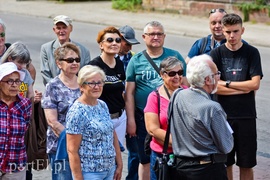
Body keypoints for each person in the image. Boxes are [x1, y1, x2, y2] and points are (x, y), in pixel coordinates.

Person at [125, 21, 186, 179]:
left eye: (159, 34)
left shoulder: (175, 56)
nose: (156, 37)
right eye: (152, 34)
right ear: (144, 37)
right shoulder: (136, 61)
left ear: (164, 37)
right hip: (143, 116)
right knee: (144, 158)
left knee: (173, 155)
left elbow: (185, 84)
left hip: (172, 116)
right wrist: (130, 120)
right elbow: (129, 92)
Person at [210, 13, 263, 180]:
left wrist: (226, 83)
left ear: (242, 31)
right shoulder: (216, 54)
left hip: (246, 116)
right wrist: (241, 88)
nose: (232, 36)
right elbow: (213, 87)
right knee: (225, 163)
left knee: (246, 163)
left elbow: (254, 84)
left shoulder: (251, 53)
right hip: (222, 117)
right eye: (228, 32)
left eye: (235, 31)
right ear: (223, 32)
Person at [170, 54, 234, 179]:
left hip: (181, 167)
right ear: (208, 80)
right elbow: (226, 146)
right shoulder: (212, 108)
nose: (219, 77)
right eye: (216, 74)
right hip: (207, 170)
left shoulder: (177, 95)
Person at [66, 65, 123, 180]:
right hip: (90, 172)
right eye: (91, 83)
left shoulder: (102, 105)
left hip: (110, 169)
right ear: (81, 86)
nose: (96, 87)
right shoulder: (77, 112)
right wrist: (78, 178)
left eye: (99, 83)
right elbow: (72, 150)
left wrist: (119, 163)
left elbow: (112, 134)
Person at [41, 42, 82, 180]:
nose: (75, 63)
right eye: (70, 60)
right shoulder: (52, 86)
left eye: (77, 60)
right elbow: (52, 121)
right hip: (61, 147)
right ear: (59, 64)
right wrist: (72, 139)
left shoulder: (85, 83)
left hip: (85, 146)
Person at [144, 56, 186, 180]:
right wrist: (180, 142)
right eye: (172, 73)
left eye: (180, 73)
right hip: (162, 155)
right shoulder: (154, 97)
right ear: (162, 75)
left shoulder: (188, 93)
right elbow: (152, 129)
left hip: (186, 156)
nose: (177, 77)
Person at [89, 26, 127, 148]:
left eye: (117, 40)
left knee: (117, 154)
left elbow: (121, 91)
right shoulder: (93, 66)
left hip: (120, 118)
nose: (114, 43)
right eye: (110, 40)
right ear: (101, 45)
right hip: (102, 119)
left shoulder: (120, 64)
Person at [0, 62, 32, 179]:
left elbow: (26, 127)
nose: (14, 85)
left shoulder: (25, 104)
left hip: (16, 165)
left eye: (17, 81)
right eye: (9, 81)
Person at [40, 15, 91, 86]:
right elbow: (45, 73)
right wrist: (57, 87)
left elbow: (86, 74)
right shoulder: (46, 48)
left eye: (64, 27)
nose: (61, 31)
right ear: (54, 30)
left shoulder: (84, 51)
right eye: (58, 28)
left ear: (71, 28)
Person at [118, 25, 140, 180]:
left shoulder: (134, 58)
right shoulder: (105, 59)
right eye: (127, 43)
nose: (130, 47)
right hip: (114, 111)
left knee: (135, 152)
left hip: (130, 109)